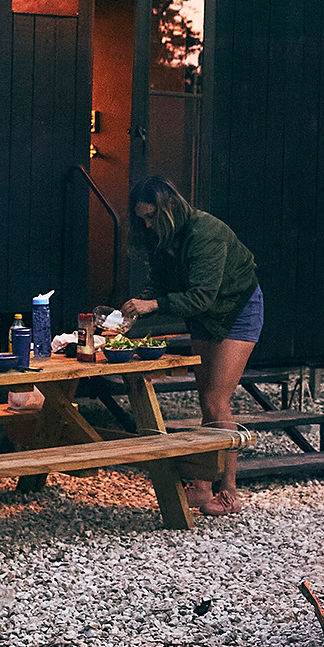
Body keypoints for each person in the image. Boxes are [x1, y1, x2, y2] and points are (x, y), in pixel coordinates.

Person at [121, 176, 262, 516]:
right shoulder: (162, 235)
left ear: (169, 207)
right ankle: (202, 486)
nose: (147, 224)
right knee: (206, 399)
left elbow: (201, 296)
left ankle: (229, 493)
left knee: (217, 400)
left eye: (151, 217)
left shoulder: (205, 232)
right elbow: (159, 283)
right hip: (203, 315)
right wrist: (134, 310)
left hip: (236, 309)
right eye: (142, 218)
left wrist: (153, 305)